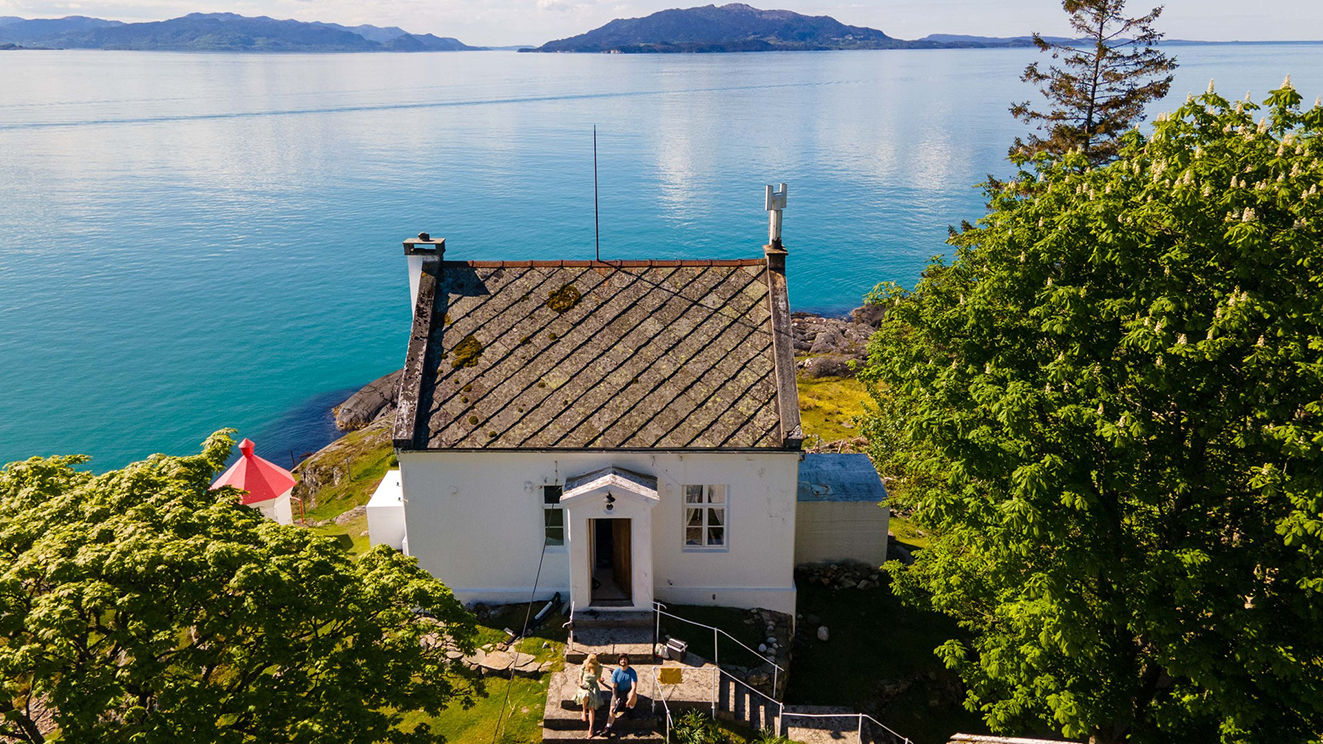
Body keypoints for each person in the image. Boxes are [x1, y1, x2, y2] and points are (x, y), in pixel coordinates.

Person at [603, 654, 639, 733]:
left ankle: (631, 709)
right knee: (612, 709)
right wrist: (615, 699)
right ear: (619, 661)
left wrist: (629, 699)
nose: (623, 661)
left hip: (628, 691)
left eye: (625, 659)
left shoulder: (632, 671)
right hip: (619, 692)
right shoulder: (616, 672)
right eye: (621, 659)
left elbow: (634, 687)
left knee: (633, 695)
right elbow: (614, 687)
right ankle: (608, 728)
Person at [573, 653, 604, 737]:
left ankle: (591, 728)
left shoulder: (599, 668)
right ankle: (583, 710)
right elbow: (580, 676)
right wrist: (580, 683)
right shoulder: (584, 665)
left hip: (593, 687)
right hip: (585, 686)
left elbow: (598, 677)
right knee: (586, 695)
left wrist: (601, 680)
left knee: (591, 707)